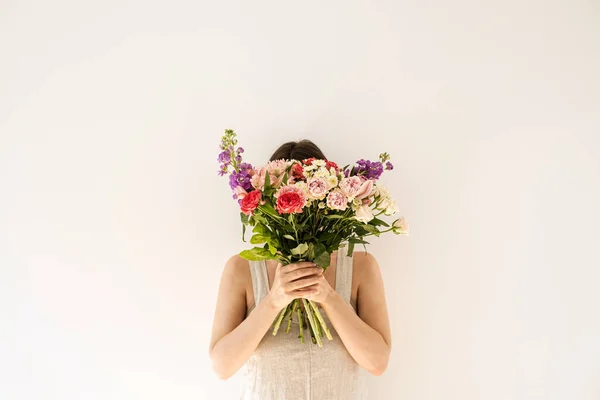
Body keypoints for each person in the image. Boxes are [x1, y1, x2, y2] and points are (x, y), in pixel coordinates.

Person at [209, 140, 392, 399]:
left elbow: (377, 363)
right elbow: (222, 366)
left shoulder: (361, 266)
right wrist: (274, 300)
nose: (297, 212)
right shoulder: (241, 268)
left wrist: (327, 295)